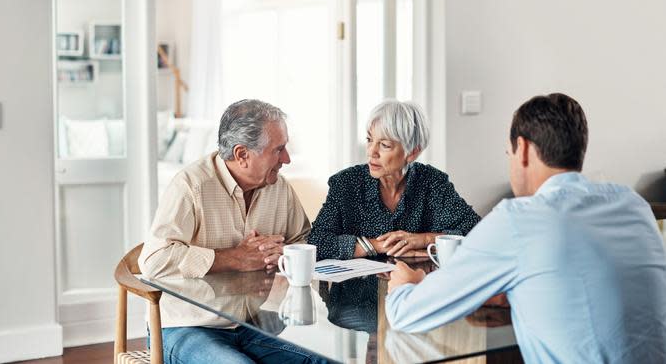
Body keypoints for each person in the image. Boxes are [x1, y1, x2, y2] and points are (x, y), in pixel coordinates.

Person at [386, 93, 666, 363]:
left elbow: (405, 314)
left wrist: (403, 285)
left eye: (509, 153)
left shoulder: (518, 219)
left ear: (524, 150)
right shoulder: (632, 205)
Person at [139, 99, 328, 364]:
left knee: (323, 360)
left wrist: (281, 254)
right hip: (187, 326)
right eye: (279, 149)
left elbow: (304, 240)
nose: (287, 159)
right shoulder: (190, 186)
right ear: (242, 155)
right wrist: (236, 258)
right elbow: (153, 261)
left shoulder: (278, 187)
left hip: (253, 325)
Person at [308, 100, 480, 260]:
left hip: (416, 287)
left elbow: (478, 231)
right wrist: (376, 245)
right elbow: (316, 243)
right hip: (357, 291)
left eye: (384, 145)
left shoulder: (433, 183)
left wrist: (424, 239)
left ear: (412, 152)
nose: (371, 152)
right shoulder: (346, 183)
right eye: (369, 140)